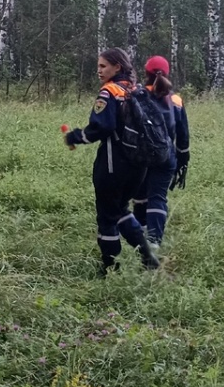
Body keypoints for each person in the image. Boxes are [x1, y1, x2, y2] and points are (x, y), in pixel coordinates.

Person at [63, 48, 160, 273]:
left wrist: (76, 136)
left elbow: (102, 127)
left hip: (113, 164)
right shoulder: (139, 91)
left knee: (107, 214)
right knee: (120, 209)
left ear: (118, 67)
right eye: (98, 66)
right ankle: (148, 257)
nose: (99, 71)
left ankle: (109, 267)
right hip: (140, 165)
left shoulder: (109, 92)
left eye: (103, 66)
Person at [131, 55, 190, 248]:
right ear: (167, 73)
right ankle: (155, 241)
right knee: (158, 196)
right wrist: (182, 158)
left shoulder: (136, 95)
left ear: (145, 73)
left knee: (140, 196)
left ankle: (140, 233)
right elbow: (182, 134)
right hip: (166, 155)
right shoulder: (175, 100)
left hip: (140, 156)